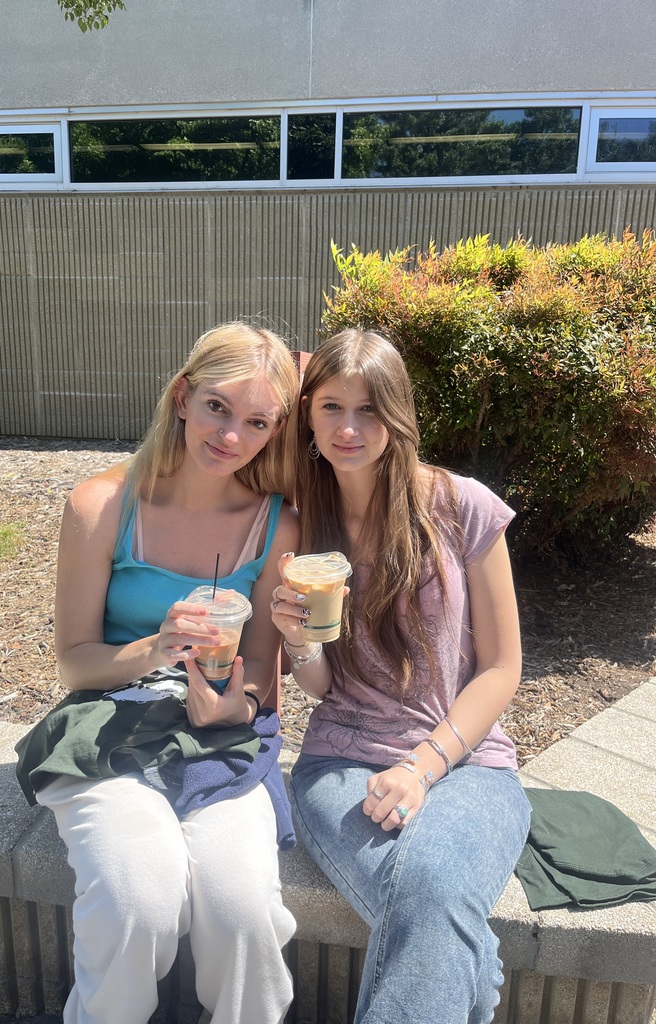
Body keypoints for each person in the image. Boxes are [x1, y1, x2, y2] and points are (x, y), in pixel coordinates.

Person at [15, 323, 300, 1024]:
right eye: (217, 408)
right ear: (182, 396)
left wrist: (243, 702)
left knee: (243, 918)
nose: (232, 436)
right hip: (111, 726)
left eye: (257, 421)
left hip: (219, 737)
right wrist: (155, 646)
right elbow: (75, 661)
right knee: (139, 898)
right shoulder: (101, 507)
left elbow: (263, 663)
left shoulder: (276, 526)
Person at [271, 328, 531, 1024]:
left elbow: (503, 668)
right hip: (339, 762)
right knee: (436, 896)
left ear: (399, 413)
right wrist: (298, 642)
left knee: (432, 884)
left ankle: (464, 959)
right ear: (309, 416)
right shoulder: (302, 526)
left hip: (468, 760)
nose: (349, 428)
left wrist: (422, 766)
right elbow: (323, 688)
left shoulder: (462, 506)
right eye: (331, 407)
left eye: (369, 408)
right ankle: (469, 962)